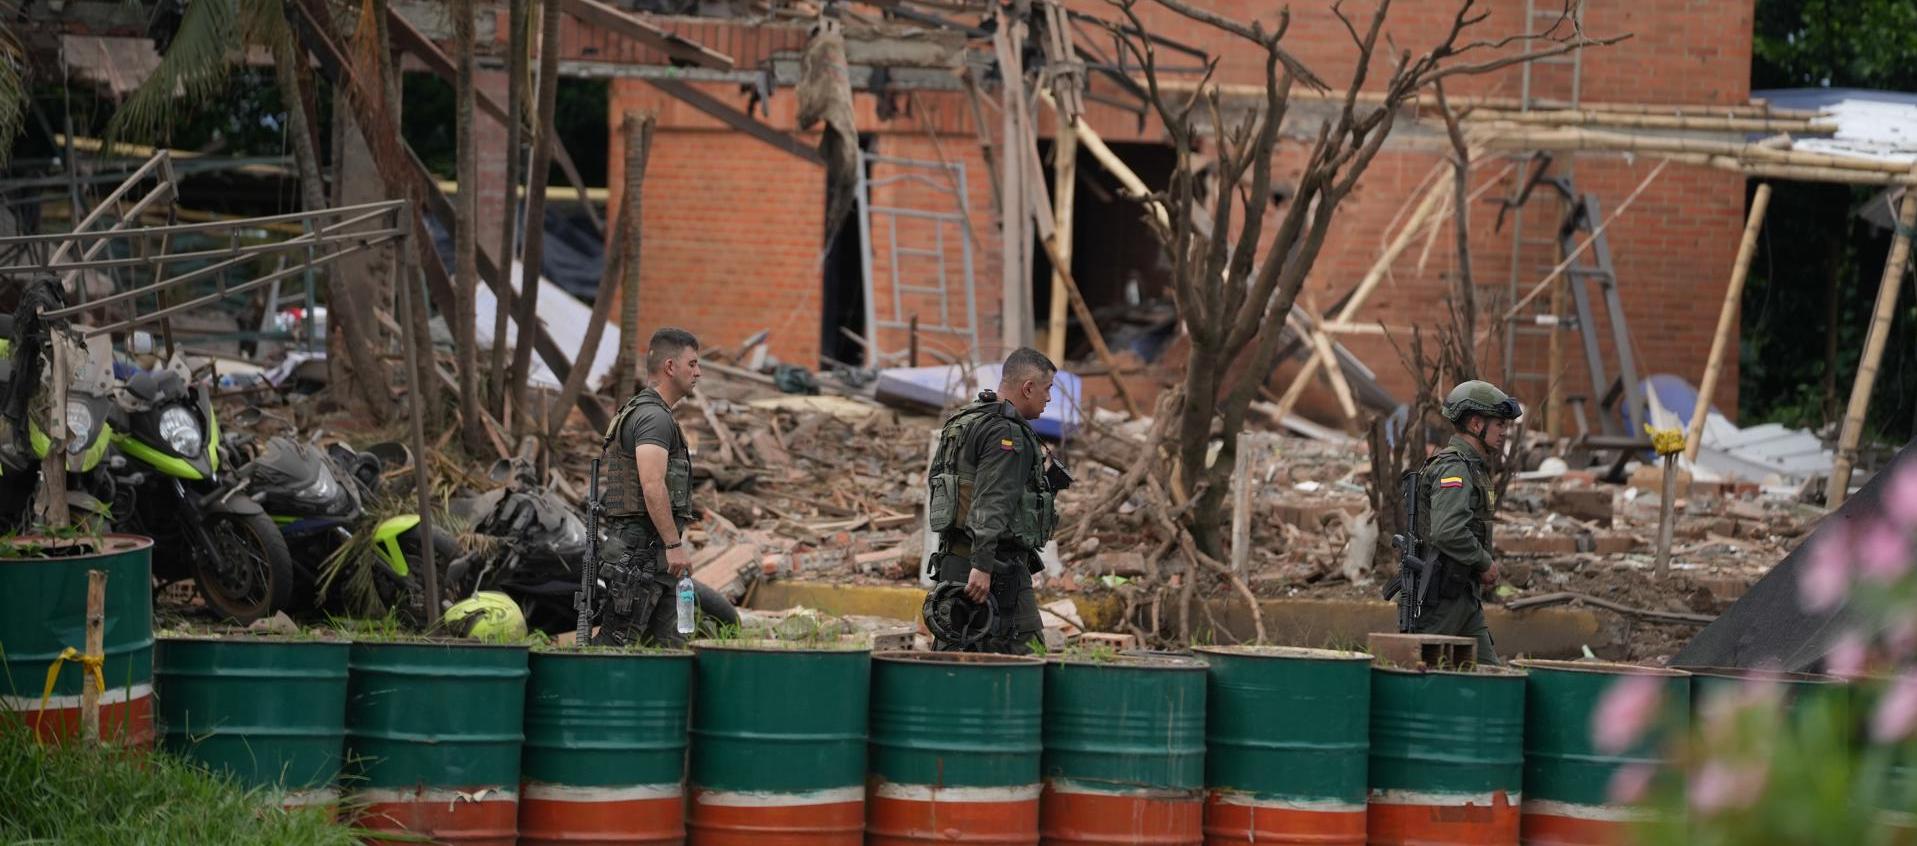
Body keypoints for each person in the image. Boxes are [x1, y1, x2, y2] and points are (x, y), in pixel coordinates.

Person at [924, 347, 1070, 654]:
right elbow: (992, 501)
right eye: (1047, 389)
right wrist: (983, 566)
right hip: (994, 569)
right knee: (1026, 657)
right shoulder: (1006, 432)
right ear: (1028, 387)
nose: (1048, 399)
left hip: (955, 561)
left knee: (958, 655)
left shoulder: (966, 420)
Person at [593, 328, 701, 647]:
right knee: (616, 644)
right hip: (641, 553)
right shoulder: (653, 417)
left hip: (653, 556)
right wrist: (673, 544)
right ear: (670, 367)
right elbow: (652, 485)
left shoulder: (650, 412)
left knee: (671, 645)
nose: (698, 372)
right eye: (692, 364)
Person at [1417, 379, 1523, 665]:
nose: (1503, 432)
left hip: (1463, 597)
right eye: (1499, 424)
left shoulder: (1471, 467)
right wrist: (1483, 562)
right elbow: (1447, 531)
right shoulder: (1455, 469)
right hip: (1441, 602)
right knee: (1423, 678)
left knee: (1492, 680)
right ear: (1477, 424)